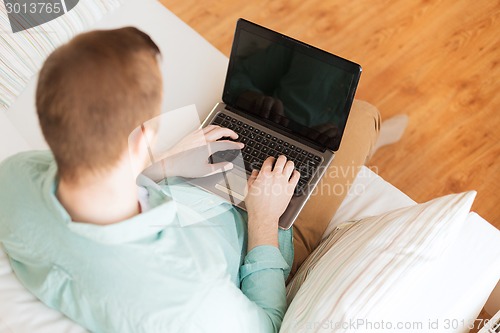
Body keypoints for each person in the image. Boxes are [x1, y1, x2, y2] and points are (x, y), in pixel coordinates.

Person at [0, 27, 380, 332]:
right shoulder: (192, 303)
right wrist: (264, 220)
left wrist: (162, 166)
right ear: (142, 138)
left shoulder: (13, 179)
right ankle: (375, 135)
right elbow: (268, 324)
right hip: (260, 232)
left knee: (264, 105)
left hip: (190, 185)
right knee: (357, 116)